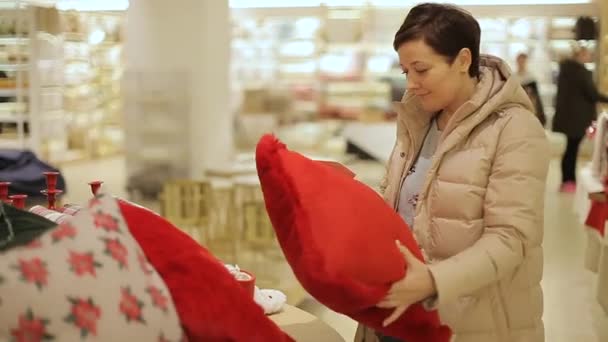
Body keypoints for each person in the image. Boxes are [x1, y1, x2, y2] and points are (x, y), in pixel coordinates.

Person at [354, 3, 549, 342]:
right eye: (405, 72)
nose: (411, 84)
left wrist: (432, 282)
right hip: (401, 313)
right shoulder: (419, 120)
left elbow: (512, 239)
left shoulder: (515, 130)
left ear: (462, 60)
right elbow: (406, 205)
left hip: (471, 322)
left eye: (421, 70)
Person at [552, 45, 608, 193]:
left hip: (567, 118)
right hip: (578, 118)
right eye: (587, 54)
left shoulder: (565, 71)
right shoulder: (582, 72)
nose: (588, 57)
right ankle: (569, 181)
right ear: (580, 55)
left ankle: (567, 181)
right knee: (572, 150)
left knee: (570, 149)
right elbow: (592, 94)